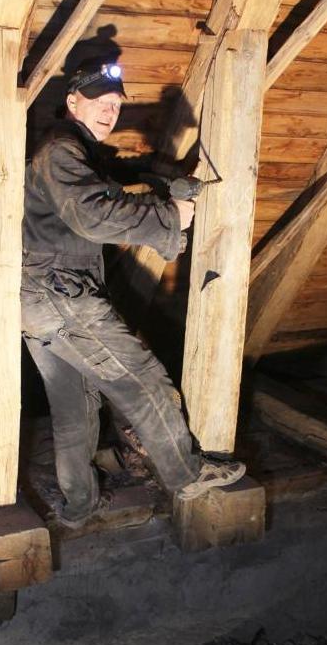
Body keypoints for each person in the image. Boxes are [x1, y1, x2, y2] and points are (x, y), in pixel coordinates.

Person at [20, 61, 246, 527]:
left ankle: (79, 506)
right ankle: (186, 474)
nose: (110, 112)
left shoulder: (75, 151)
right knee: (141, 380)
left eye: (115, 104)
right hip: (61, 296)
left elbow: (114, 179)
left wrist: (163, 180)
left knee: (74, 407)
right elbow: (92, 216)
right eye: (100, 103)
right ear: (72, 102)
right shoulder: (61, 151)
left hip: (38, 300)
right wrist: (170, 217)